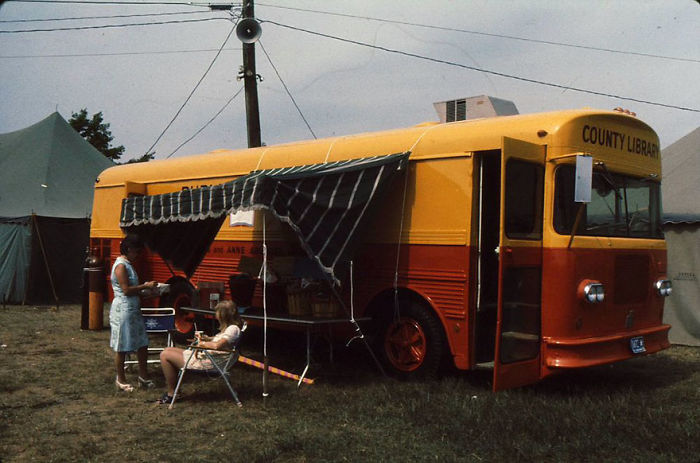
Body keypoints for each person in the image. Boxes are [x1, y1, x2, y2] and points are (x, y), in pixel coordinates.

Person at [157, 300, 243, 405]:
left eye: (217, 312)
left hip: (211, 363)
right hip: (210, 358)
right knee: (168, 350)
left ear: (223, 315)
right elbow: (220, 342)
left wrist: (201, 344)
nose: (215, 315)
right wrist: (207, 339)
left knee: (165, 355)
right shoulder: (230, 328)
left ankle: (172, 394)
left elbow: (217, 345)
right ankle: (175, 391)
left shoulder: (232, 329)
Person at [110, 234, 158, 392]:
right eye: (137, 252)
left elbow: (133, 291)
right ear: (129, 249)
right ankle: (121, 379)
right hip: (123, 310)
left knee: (142, 343)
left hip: (133, 309)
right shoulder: (121, 266)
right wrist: (145, 285)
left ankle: (143, 376)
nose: (138, 256)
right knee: (122, 345)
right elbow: (126, 290)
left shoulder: (129, 265)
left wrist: (149, 292)